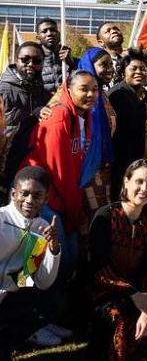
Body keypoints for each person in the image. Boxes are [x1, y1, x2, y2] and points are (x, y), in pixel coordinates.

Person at [21, 70, 98, 279]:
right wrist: (73, 210)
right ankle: (37, 301)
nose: (91, 94)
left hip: (61, 195)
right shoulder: (59, 114)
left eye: (95, 89)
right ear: (68, 90)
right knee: (51, 260)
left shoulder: (86, 116)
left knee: (70, 256)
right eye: (84, 89)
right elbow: (58, 170)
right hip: (40, 197)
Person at [88, 159, 147, 361]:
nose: (144, 188)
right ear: (126, 182)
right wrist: (132, 293)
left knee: (143, 320)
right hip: (103, 291)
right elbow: (98, 268)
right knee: (118, 318)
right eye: (139, 181)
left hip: (137, 293)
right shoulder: (106, 217)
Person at [0, 166, 63, 355]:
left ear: (46, 199)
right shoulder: (1, 219)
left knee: (55, 303)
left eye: (37, 195)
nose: (29, 200)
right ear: (13, 194)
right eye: (24, 194)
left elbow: (43, 282)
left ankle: (8, 341)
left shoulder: (41, 229)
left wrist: (52, 248)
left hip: (11, 297)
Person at [0, 42, 51, 201]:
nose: (31, 64)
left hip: (30, 165)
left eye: (37, 61)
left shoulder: (46, 94)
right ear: (16, 60)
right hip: (5, 163)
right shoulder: (3, 90)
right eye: (25, 59)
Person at [76, 47, 117, 216]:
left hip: (103, 166)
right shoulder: (76, 97)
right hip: (84, 166)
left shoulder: (103, 95)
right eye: (103, 65)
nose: (109, 69)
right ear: (90, 66)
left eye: (110, 64)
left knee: (101, 213)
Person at [108, 48, 147, 200]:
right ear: (122, 73)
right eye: (134, 68)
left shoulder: (145, 96)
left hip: (137, 161)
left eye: (143, 69)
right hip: (119, 163)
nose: (139, 72)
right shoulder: (117, 95)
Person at [36, 18, 76, 93]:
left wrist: (71, 64)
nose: (49, 33)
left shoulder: (72, 61)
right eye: (44, 31)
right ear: (38, 37)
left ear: (59, 34)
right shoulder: (33, 62)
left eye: (53, 30)